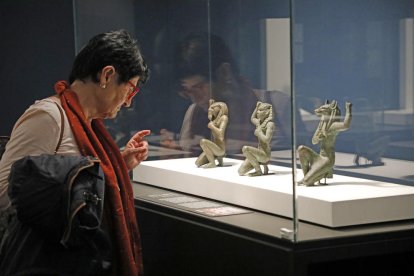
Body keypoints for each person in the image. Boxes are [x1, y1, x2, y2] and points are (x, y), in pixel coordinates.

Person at [0, 29, 150, 275]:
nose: (128, 101)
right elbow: (4, 192)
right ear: (107, 75)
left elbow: (70, 176)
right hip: (48, 261)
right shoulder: (49, 117)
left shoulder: (86, 124)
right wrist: (77, 188)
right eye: (130, 89)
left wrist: (114, 166)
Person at [161, 31, 305, 155]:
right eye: (187, 91)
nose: (195, 99)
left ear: (224, 72)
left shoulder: (278, 105)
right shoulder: (195, 113)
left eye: (199, 87)